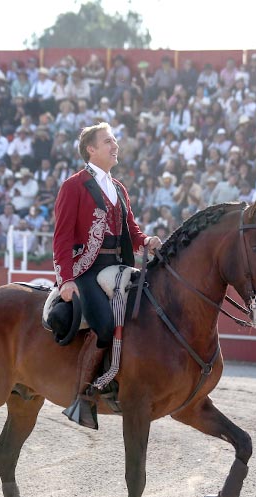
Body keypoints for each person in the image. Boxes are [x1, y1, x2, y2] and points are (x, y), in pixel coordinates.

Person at [53, 122, 162, 429]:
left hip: (120, 266)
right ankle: (84, 396)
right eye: (108, 142)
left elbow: (132, 229)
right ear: (91, 149)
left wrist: (146, 241)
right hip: (87, 270)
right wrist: (66, 280)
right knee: (103, 326)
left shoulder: (118, 187)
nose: (115, 146)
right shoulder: (73, 185)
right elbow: (61, 237)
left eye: (115, 141)